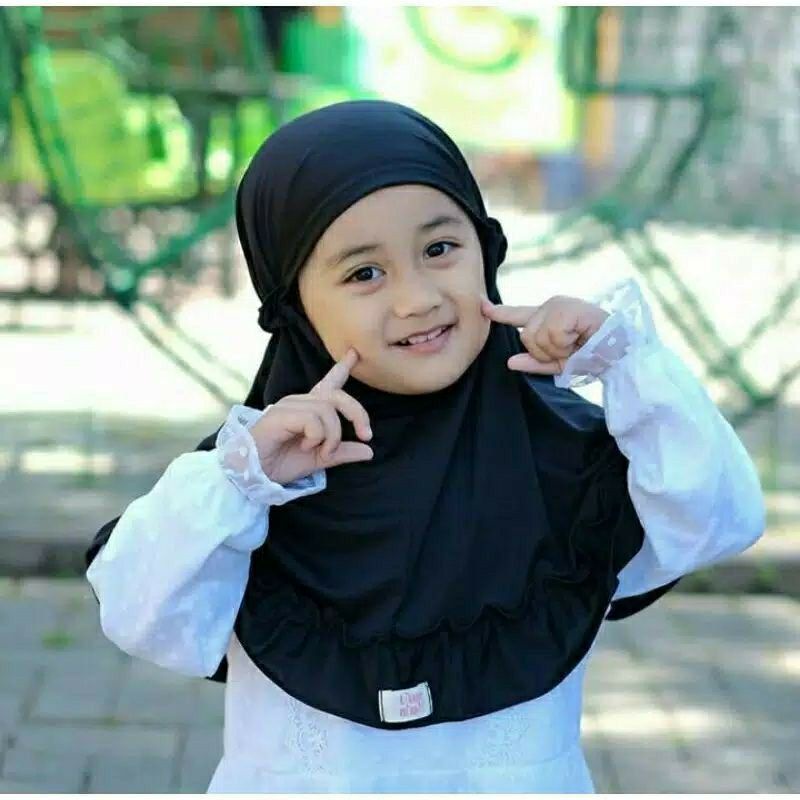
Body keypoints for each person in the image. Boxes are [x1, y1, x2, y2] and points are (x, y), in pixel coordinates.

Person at [84, 100, 765, 793]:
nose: (416, 299)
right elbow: (141, 615)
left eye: (439, 250)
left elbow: (717, 520)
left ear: (486, 248)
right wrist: (240, 482)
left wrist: (627, 366)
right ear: (293, 306)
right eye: (364, 274)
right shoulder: (254, 474)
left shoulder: (563, 452)